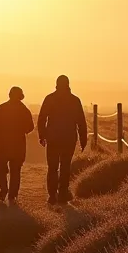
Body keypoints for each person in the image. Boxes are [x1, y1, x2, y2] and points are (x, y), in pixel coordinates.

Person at [38, 75, 88, 205]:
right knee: (65, 166)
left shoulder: (50, 98)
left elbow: (42, 118)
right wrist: (83, 140)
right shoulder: (74, 100)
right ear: (68, 84)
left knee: (52, 167)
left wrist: (42, 135)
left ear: (56, 84)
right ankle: (63, 194)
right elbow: (81, 122)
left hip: (53, 138)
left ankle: (52, 195)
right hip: (68, 138)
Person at [0, 86, 34, 203]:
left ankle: (4, 190)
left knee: (1, 169)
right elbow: (30, 127)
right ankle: (12, 196)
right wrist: (21, 130)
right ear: (21, 96)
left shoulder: (2, 108)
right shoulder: (24, 110)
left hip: (3, 144)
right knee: (15, 171)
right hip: (18, 145)